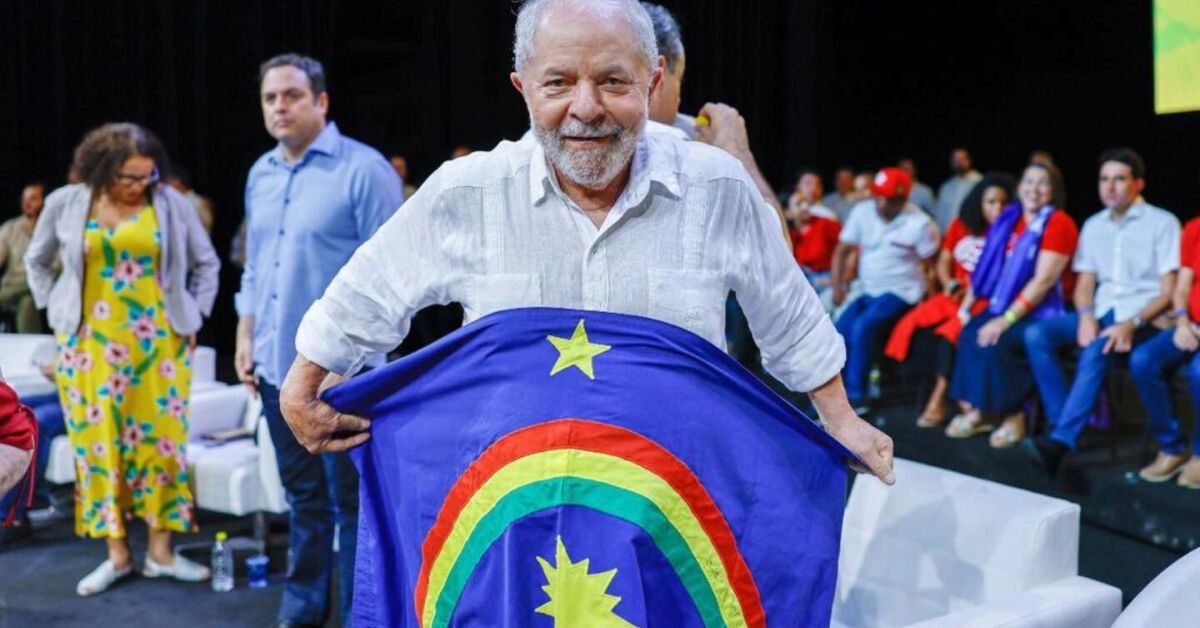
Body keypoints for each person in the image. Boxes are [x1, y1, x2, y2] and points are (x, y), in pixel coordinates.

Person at [277, 0, 894, 490]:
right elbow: (372, 287)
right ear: (523, 87)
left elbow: (786, 309)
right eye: (558, 83)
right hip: (516, 504)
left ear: (653, 82)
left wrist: (841, 419)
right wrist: (303, 383)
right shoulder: (468, 192)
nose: (586, 107)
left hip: (675, 508)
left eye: (613, 81)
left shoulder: (716, 187)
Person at [236, 53, 403, 628]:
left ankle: (363, 616)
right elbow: (256, 267)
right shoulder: (260, 174)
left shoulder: (364, 170)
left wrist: (351, 364)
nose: (279, 107)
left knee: (354, 507)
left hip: (341, 379)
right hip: (274, 369)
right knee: (303, 501)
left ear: (321, 101)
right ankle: (303, 609)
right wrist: (246, 333)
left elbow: (393, 278)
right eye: (270, 98)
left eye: (292, 95)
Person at [24, 122, 220, 594]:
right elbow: (36, 261)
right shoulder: (67, 203)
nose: (138, 186)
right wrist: (60, 312)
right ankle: (117, 555)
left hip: (159, 347)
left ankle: (161, 553)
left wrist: (193, 315)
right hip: (89, 349)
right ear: (102, 170)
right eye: (127, 177)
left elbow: (207, 263)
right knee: (99, 448)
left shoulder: (171, 204)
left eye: (146, 176)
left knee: (161, 447)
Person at [1023, 149, 1179, 476]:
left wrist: (1130, 323)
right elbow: (1085, 283)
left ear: (1138, 183)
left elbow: (1168, 292)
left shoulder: (1162, 223)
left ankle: (1061, 441)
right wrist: (1085, 315)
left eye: (1119, 179)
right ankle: (1060, 421)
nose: (1109, 187)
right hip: (1104, 311)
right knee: (1037, 334)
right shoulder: (1094, 226)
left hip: (1144, 317)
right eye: (1104, 179)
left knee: (1096, 348)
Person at [947, 162, 1078, 445]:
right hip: (1005, 302)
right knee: (970, 332)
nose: (1034, 189)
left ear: (1053, 190)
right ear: (1019, 187)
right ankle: (981, 411)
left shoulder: (1058, 223)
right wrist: (967, 308)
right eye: (1028, 181)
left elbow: (1043, 282)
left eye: (1042, 183)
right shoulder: (1010, 217)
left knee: (1000, 341)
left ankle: (1014, 416)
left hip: (1044, 310)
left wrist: (1005, 320)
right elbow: (987, 268)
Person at [884, 173, 1015, 430]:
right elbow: (944, 261)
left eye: (1003, 202)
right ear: (979, 203)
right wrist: (949, 283)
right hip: (953, 294)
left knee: (950, 334)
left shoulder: (1010, 233)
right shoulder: (961, 225)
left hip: (982, 302)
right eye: (991, 202)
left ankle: (940, 398)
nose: (997, 208)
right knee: (910, 324)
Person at [831, 167, 940, 412]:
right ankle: (836, 394)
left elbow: (930, 267)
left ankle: (857, 396)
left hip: (902, 292)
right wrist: (838, 287)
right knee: (840, 329)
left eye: (888, 198)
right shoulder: (862, 211)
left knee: (863, 327)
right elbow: (841, 251)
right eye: (878, 196)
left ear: (902, 199)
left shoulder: (920, 223)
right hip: (867, 290)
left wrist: (930, 302)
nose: (881, 203)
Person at [1130, 214, 1200, 488]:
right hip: (1190, 324)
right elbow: (1182, 288)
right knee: (1143, 360)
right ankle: (1172, 447)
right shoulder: (1195, 228)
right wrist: (1181, 322)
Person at [642, 2, 697, 139]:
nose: (679, 100)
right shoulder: (674, 141)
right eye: (679, 80)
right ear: (656, 78)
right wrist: (730, 141)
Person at [0, 183, 46, 333]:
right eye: (24, 199)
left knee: (30, 297)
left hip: (43, 285)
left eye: (33, 199)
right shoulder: (10, 228)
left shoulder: (54, 229)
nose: (26, 204)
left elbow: (58, 266)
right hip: (12, 286)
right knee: (27, 301)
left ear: (45, 201)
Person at [786, 170, 841, 287]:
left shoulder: (825, 221)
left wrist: (838, 279)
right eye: (799, 204)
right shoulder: (787, 233)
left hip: (824, 280)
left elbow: (846, 248)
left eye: (806, 203)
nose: (805, 207)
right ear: (788, 213)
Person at [934, 147, 982, 232]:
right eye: (955, 160)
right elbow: (940, 214)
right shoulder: (946, 187)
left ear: (969, 160)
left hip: (970, 232)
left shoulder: (979, 182)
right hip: (947, 233)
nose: (958, 162)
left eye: (962, 159)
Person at [166, 167, 215, 234]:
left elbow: (207, 226)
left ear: (177, 182)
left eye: (167, 182)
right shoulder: (170, 202)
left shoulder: (198, 202)